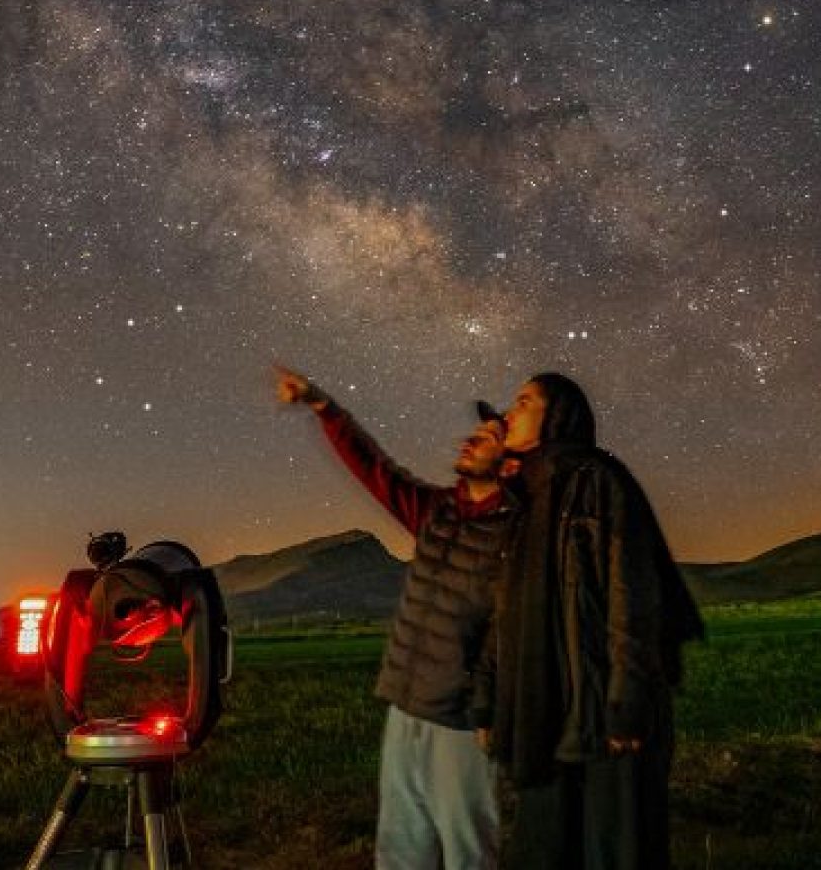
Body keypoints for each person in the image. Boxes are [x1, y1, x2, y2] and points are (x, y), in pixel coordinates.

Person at [275, 365, 517, 870]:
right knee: (401, 847)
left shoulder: (517, 533)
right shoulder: (437, 511)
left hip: (462, 720)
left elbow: (512, 631)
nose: (471, 439)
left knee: (468, 848)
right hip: (405, 704)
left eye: (489, 437)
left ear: (511, 464)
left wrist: (490, 707)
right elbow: (375, 470)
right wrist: (324, 406)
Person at [474, 372, 703, 870]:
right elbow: (505, 612)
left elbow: (632, 597)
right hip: (544, 712)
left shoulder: (599, 481)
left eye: (524, 402)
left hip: (602, 709)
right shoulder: (524, 501)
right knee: (543, 848)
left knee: (616, 849)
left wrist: (626, 704)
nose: (509, 414)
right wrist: (488, 700)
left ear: (558, 415)